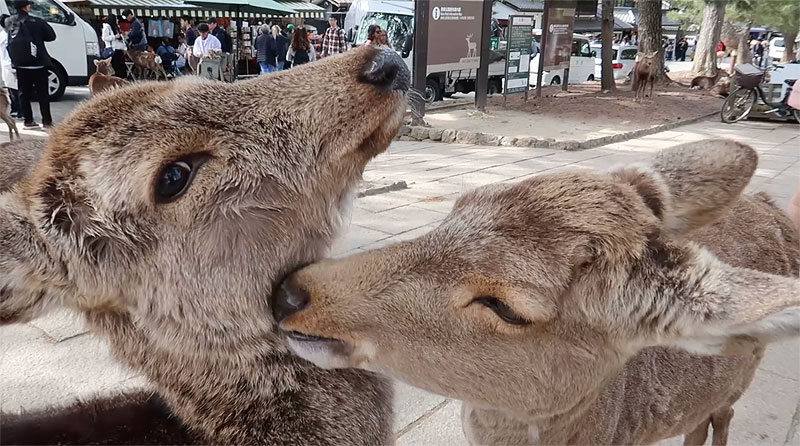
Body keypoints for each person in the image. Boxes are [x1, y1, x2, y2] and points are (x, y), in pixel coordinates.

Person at [6, 0, 55, 129]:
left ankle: (28, 121)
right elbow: (51, 36)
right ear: (26, 7)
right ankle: (47, 121)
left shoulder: (9, 22)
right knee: (42, 94)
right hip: (39, 64)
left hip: (20, 64)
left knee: (23, 93)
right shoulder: (37, 22)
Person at [0, 14, 20, 119]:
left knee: (12, 92)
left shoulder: (2, 35)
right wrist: (14, 69)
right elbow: (8, 55)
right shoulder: (8, 36)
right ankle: (18, 112)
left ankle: (15, 111)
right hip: (11, 67)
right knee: (17, 93)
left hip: (6, 68)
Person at [101, 14, 127, 79]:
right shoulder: (107, 27)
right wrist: (114, 37)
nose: (117, 20)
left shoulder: (116, 27)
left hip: (119, 50)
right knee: (116, 68)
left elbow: (121, 39)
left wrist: (124, 48)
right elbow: (104, 38)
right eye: (116, 19)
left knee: (122, 68)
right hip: (113, 50)